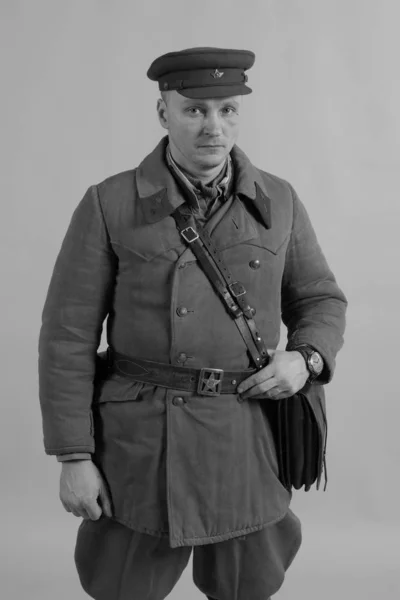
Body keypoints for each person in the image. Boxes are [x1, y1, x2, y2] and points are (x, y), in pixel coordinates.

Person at [38, 47, 347, 600]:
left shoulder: (279, 199)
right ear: (164, 114)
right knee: (120, 584)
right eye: (195, 111)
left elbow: (321, 299)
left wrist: (305, 360)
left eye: (227, 110)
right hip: (142, 440)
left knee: (249, 584)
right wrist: (73, 456)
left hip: (245, 434)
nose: (214, 126)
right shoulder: (110, 203)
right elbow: (67, 338)